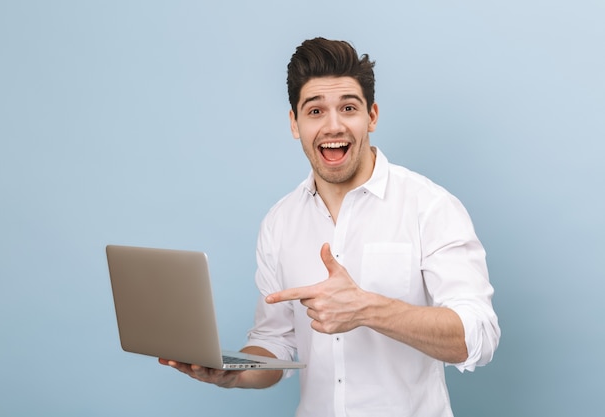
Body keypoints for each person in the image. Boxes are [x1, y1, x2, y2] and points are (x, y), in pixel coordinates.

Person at [159, 37, 500, 417]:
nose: (333, 125)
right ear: (295, 123)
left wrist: (368, 309)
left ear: (371, 116)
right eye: (316, 110)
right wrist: (232, 372)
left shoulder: (430, 207)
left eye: (348, 108)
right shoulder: (280, 221)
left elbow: (478, 337)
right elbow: (275, 344)